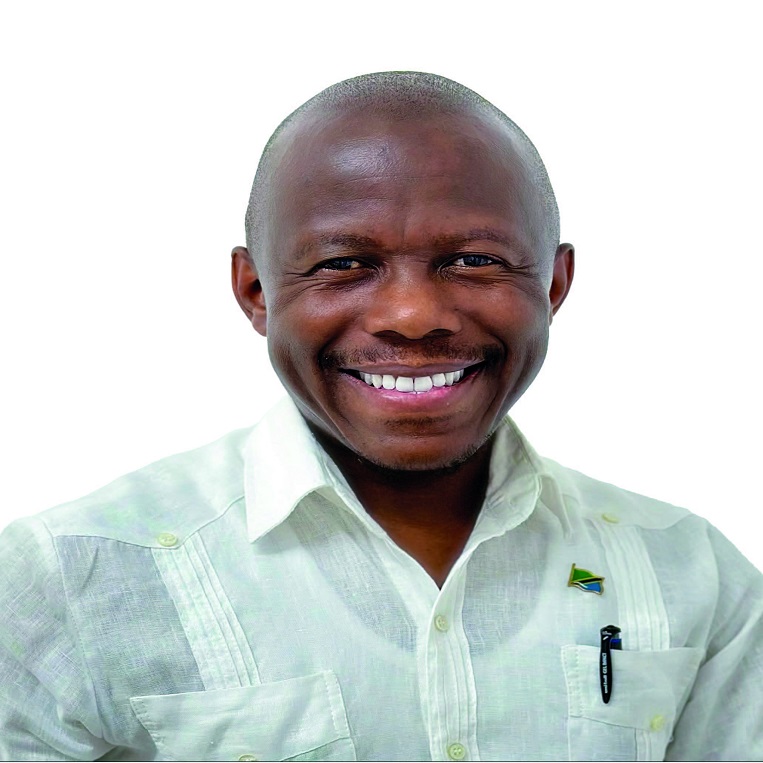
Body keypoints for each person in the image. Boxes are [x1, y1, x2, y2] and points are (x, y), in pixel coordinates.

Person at [0, 71, 760, 762]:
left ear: (554, 285)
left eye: (474, 259)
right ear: (256, 291)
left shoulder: (690, 575)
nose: (412, 314)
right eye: (342, 264)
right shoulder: (69, 578)